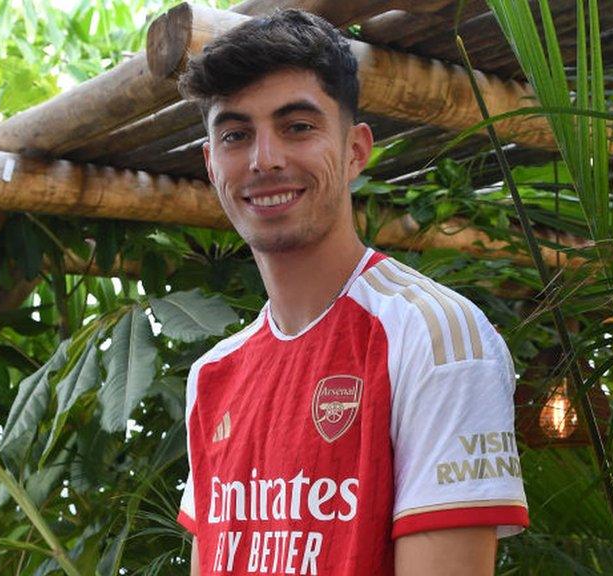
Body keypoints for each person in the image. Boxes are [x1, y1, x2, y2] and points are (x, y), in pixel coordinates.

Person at [174, 9, 528, 575]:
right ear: (212, 163)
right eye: (236, 135)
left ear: (356, 150)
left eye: (298, 127)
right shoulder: (213, 376)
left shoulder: (435, 337)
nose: (265, 159)